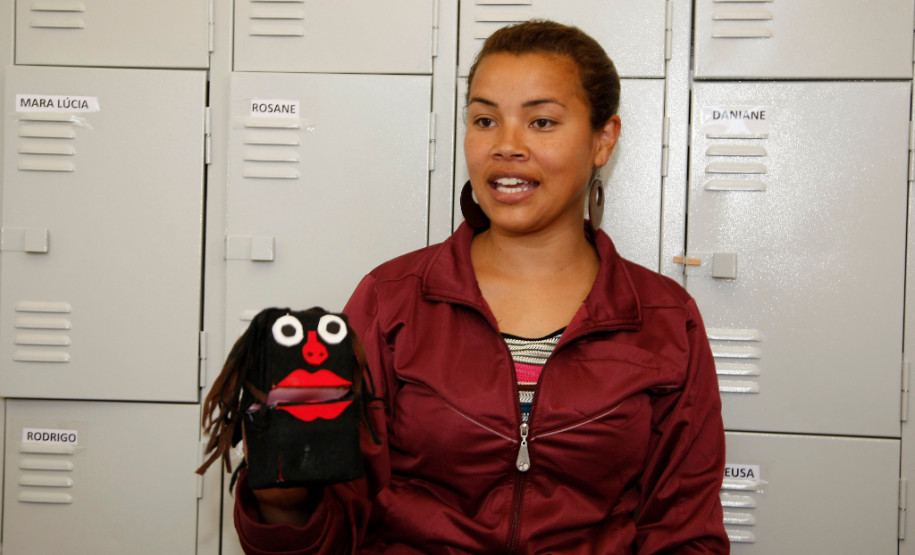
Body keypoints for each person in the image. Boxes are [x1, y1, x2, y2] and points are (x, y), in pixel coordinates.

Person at [233, 19, 728, 554]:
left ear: (603, 139)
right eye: (485, 120)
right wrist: (284, 499)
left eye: (541, 122)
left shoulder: (665, 317)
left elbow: (685, 531)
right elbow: (341, 522)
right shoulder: (391, 298)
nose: (506, 145)